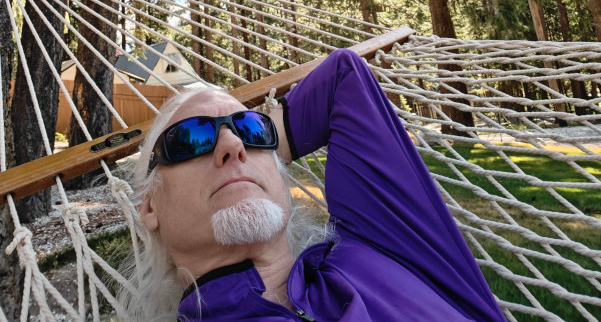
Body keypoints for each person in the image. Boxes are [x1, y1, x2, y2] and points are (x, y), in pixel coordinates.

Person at [127, 49, 506, 321]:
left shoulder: (385, 245)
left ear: (279, 170)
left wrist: (257, 154)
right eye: (191, 138)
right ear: (149, 206)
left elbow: (345, 78)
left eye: (251, 130)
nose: (232, 145)